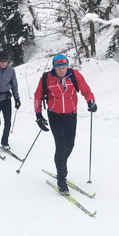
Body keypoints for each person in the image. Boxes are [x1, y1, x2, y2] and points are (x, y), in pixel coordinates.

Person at [33, 54, 97, 195]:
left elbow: (85, 89)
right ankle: (61, 178)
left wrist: (90, 101)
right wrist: (38, 115)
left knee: (70, 145)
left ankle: (60, 164)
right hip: (54, 115)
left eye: (63, 67)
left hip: (71, 115)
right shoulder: (46, 78)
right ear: (54, 67)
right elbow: (37, 96)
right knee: (60, 146)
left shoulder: (74, 75)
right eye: (58, 68)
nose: (61, 70)